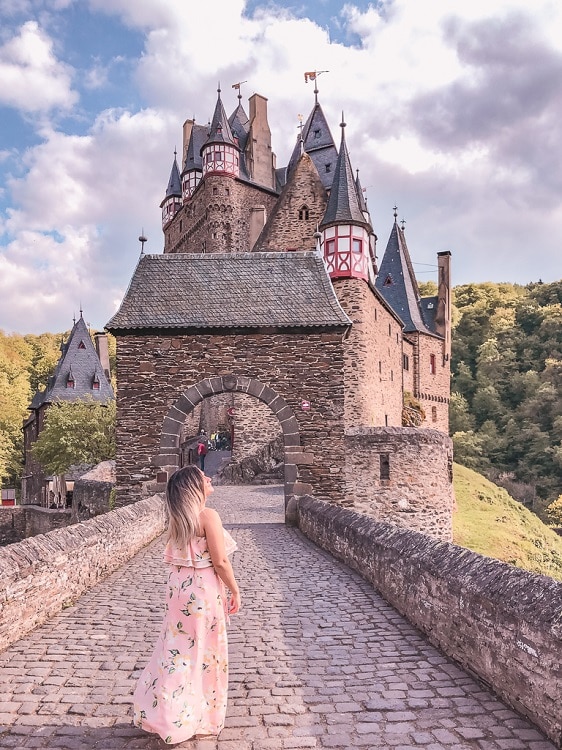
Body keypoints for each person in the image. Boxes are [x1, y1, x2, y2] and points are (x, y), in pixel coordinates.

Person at [133, 466, 240, 744]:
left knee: (177, 651)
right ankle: (195, 716)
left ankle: (165, 711)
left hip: (179, 591)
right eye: (202, 477)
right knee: (203, 652)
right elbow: (220, 562)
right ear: (194, 487)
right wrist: (235, 590)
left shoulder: (179, 519)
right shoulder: (207, 516)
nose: (209, 478)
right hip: (203, 594)